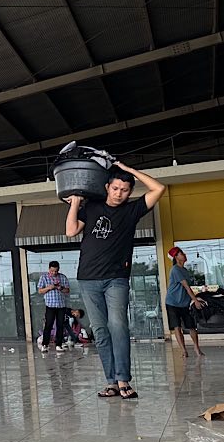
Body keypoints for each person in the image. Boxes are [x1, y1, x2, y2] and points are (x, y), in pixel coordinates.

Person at [66, 162, 166, 400]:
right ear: (107, 187)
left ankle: (123, 380)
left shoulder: (132, 211)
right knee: (100, 331)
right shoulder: (91, 208)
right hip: (88, 278)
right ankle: (111, 382)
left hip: (116, 279)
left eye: (124, 189)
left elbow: (158, 188)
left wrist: (130, 171)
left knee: (118, 326)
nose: (119, 193)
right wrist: (76, 203)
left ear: (130, 191)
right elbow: (71, 231)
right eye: (115, 188)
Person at [165, 247, 205, 357]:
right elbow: (186, 287)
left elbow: (188, 289)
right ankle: (183, 350)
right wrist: (195, 301)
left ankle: (197, 348)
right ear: (176, 257)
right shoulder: (175, 269)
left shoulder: (185, 270)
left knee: (192, 326)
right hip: (172, 302)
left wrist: (196, 297)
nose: (184, 254)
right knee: (177, 327)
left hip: (185, 302)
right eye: (181, 253)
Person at [37, 261, 71, 353]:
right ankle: (45, 344)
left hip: (61, 305)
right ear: (49, 269)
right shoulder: (44, 277)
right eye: (52, 271)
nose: (54, 273)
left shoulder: (62, 277)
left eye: (56, 271)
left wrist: (61, 288)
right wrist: (49, 287)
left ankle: (59, 344)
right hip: (50, 305)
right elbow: (40, 291)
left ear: (58, 269)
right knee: (48, 325)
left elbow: (67, 290)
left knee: (60, 325)